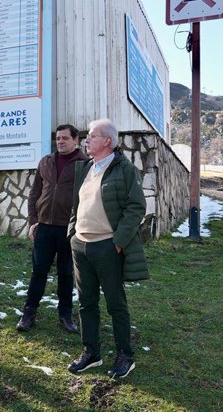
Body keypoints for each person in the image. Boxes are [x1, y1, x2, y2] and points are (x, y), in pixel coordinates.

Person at [66, 118, 148, 378]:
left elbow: (136, 208)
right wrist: (72, 235)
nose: (86, 139)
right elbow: (77, 205)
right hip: (81, 246)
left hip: (107, 247)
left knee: (115, 304)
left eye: (92, 135)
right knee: (86, 303)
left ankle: (125, 355)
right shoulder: (86, 168)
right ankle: (91, 353)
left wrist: (118, 242)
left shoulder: (123, 168)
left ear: (108, 141)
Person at [16, 124, 88, 333]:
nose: (60, 141)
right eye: (58, 138)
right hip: (45, 227)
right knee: (39, 271)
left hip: (69, 228)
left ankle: (65, 315)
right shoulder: (46, 161)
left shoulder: (84, 164)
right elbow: (34, 193)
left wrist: (80, 226)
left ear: (76, 140)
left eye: (65, 138)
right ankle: (29, 312)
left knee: (66, 273)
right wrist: (33, 221)